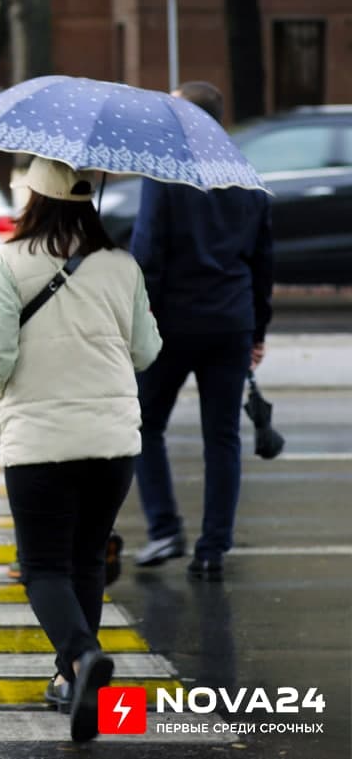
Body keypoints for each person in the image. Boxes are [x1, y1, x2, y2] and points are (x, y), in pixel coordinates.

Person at [0, 157, 161, 742]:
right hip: (111, 444)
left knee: (42, 567)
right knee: (84, 561)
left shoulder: (9, 260)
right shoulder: (122, 264)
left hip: (39, 445)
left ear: (35, 198)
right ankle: (71, 681)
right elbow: (146, 350)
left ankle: (82, 659)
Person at [130, 81, 273, 582]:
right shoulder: (247, 176)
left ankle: (165, 526)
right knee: (223, 438)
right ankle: (213, 548)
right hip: (230, 322)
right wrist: (258, 328)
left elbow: (147, 254)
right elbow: (261, 262)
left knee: (143, 426)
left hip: (171, 323)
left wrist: (136, 320)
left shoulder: (165, 174)